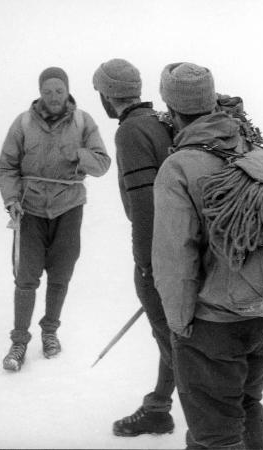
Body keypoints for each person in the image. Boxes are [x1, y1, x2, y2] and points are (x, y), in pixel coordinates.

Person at [152, 62, 263, 450]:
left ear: (171, 108)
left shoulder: (179, 166)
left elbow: (176, 255)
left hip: (212, 325)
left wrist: (178, 324)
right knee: (246, 406)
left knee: (214, 436)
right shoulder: (248, 147)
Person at [0, 66, 111, 371]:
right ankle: (19, 341)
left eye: (59, 90)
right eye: (47, 91)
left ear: (68, 90)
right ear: (39, 92)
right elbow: (7, 167)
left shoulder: (84, 122)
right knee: (26, 278)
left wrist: (78, 153)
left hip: (69, 208)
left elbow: (102, 164)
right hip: (30, 208)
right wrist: (11, 199)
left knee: (61, 275)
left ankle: (50, 333)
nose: (54, 97)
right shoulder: (22, 123)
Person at [92, 58, 176, 437]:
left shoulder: (130, 132)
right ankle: (158, 407)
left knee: (178, 347)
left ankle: (211, 433)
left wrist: (146, 265)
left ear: (108, 96)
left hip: (162, 254)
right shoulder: (161, 121)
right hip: (183, 247)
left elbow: (144, 205)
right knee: (175, 338)